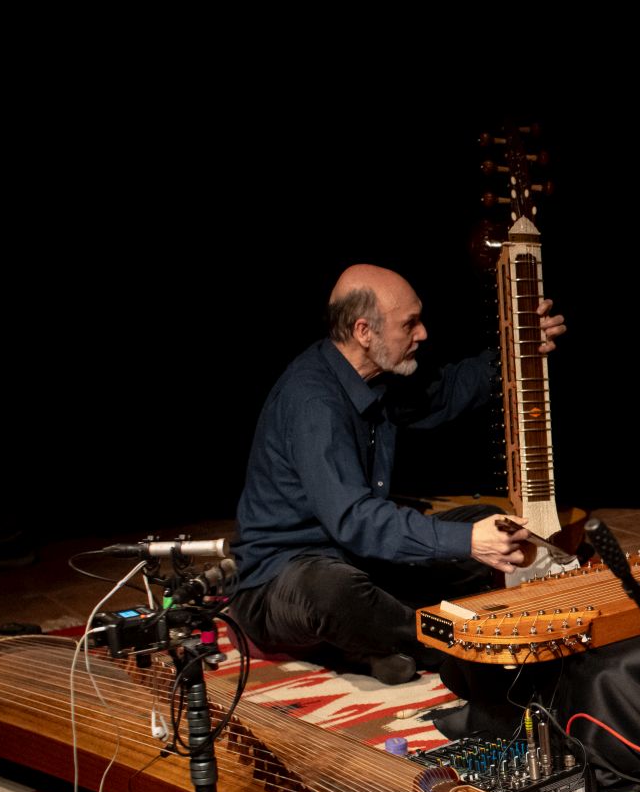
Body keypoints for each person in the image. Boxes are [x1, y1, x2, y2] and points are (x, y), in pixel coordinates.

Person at [229, 264, 565, 684]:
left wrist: (518, 350)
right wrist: (466, 541)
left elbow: (444, 393)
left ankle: (373, 645)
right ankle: (453, 645)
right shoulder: (314, 402)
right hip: (283, 579)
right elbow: (355, 520)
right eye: (409, 323)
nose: (422, 333)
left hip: (358, 558)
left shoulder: (374, 379)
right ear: (364, 331)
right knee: (335, 592)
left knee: (489, 524)